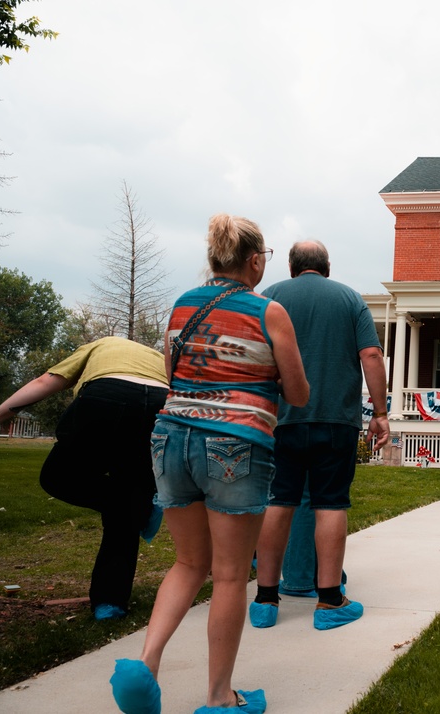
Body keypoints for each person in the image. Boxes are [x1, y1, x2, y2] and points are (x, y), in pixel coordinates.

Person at [110, 214, 309, 714]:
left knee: (187, 562)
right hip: (234, 444)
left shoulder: (181, 307)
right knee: (227, 575)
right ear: (255, 260)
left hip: (170, 439)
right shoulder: (269, 312)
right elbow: (300, 394)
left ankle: (146, 664)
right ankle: (220, 697)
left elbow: (170, 371)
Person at [249, 240, 389, 632]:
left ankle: (265, 601)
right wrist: (380, 413)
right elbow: (372, 356)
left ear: (292, 266)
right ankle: (329, 602)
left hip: (281, 420)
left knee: (279, 502)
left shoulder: (268, 298)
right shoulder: (349, 299)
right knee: (330, 504)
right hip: (335, 420)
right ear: (326, 265)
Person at [0, 336, 168, 621]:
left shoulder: (100, 345)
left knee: (58, 476)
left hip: (107, 397)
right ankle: (110, 602)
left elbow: (46, 381)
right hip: (161, 406)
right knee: (126, 506)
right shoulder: (157, 357)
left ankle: (138, 504)